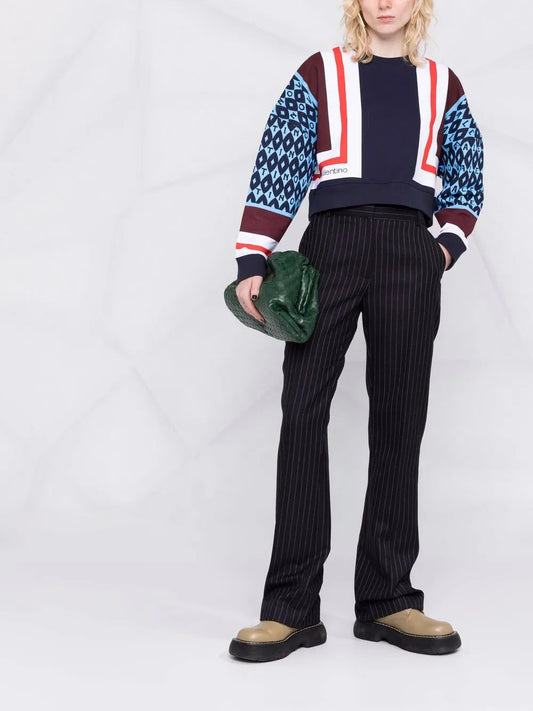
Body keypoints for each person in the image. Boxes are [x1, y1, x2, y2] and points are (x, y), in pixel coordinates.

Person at [228, 0, 484, 662]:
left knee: (400, 416)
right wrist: (253, 257)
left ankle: (387, 599)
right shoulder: (320, 72)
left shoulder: (442, 84)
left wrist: (440, 250)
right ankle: (290, 609)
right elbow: (279, 161)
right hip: (330, 246)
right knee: (302, 410)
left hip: (409, 250)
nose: (385, 2)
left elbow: (466, 175)